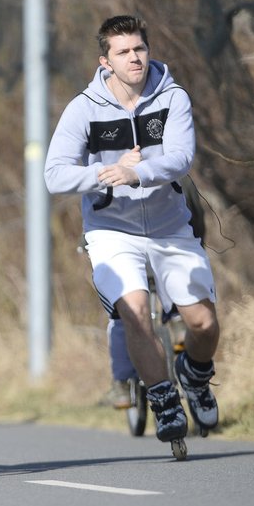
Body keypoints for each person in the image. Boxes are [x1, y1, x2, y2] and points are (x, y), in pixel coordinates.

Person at [44, 15, 221, 443]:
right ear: (105, 61)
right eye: (123, 52)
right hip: (110, 230)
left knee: (203, 324)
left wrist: (139, 174)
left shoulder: (172, 96)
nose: (134, 58)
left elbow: (181, 157)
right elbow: (55, 175)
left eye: (139, 49)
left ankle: (195, 376)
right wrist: (108, 172)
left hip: (169, 225)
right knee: (136, 313)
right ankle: (162, 397)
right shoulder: (83, 108)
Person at [104, 175, 204, 408]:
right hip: (171, 251)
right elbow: (197, 219)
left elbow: (100, 219)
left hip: (129, 257)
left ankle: (121, 382)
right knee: (177, 280)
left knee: (122, 316)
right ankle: (178, 322)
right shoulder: (177, 173)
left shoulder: (113, 173)